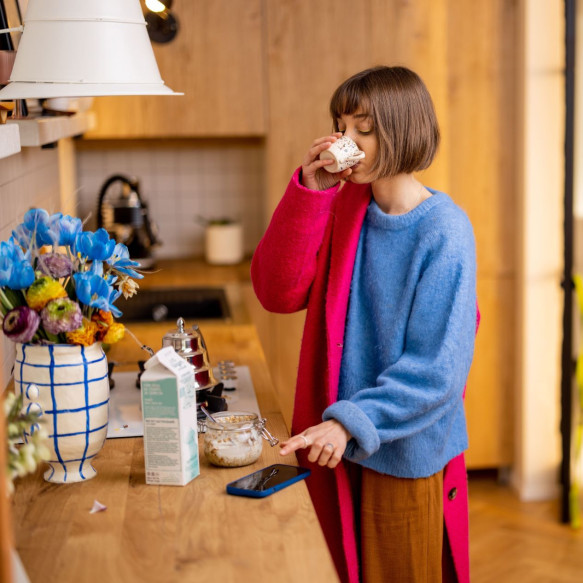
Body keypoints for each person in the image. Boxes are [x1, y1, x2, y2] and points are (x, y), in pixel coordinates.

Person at [251, 66, 479, 583]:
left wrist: (349, 421)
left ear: (401, 131)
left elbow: (435, 372)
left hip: (399, 450)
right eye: (340, 125)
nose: (343, 140)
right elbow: (277, 291)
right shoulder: (344, 208)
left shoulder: (445, 231)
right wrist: (310, 191)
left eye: (363, 128)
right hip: (337, 440)